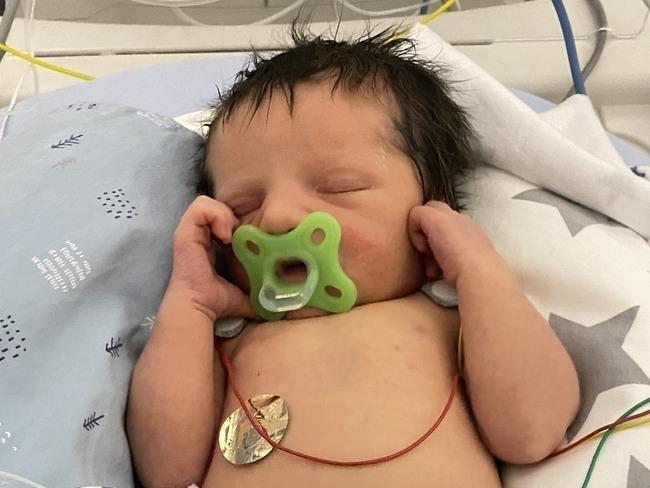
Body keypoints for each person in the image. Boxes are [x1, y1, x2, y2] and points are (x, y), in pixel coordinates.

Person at [126, 24, 580, 488]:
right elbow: (165, 470)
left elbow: (533, 432)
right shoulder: (231, 338)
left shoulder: (455, 317)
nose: (276, 217)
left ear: (430, 217)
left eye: (338, 187)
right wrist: (191, 302)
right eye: (243, 206)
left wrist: (479, 271)